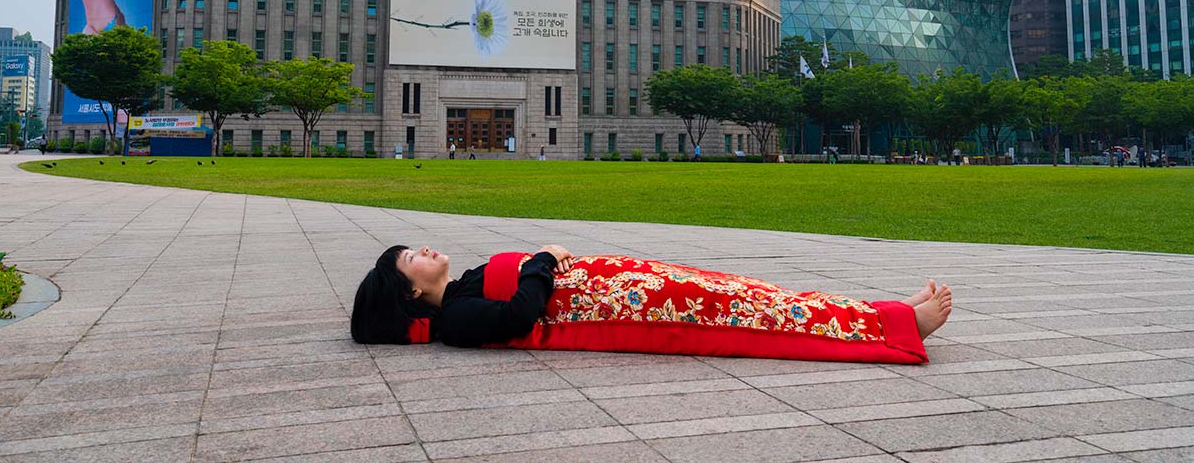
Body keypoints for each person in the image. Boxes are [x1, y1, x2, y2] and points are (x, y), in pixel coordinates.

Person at [350, 244, 950, 364]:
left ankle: (880, 311)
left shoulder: (457, 292)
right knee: (749, 310)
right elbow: (519, 316)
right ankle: (894, 326)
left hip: (623, 283)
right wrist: (543, 263)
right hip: (629, 306)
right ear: (410, 291)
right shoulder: (456, 319)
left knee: (751, 293)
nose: (424, 250)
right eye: (411, 259)